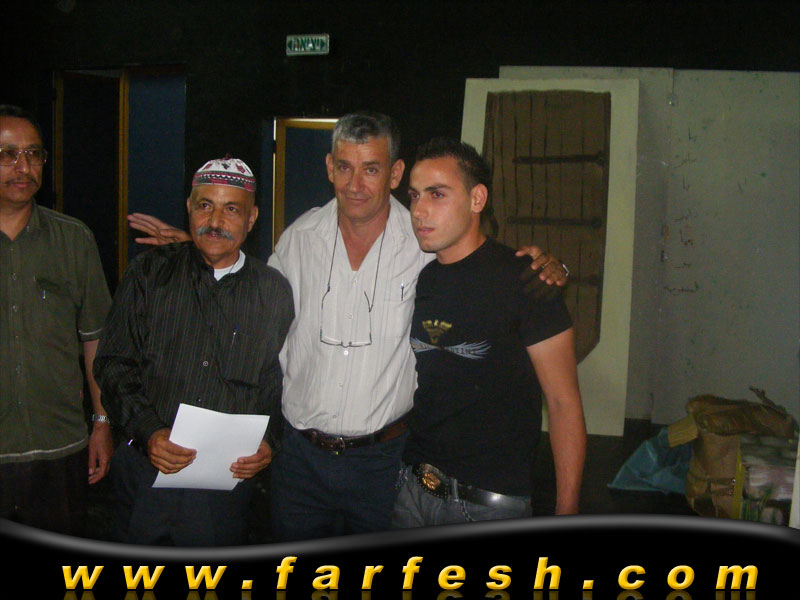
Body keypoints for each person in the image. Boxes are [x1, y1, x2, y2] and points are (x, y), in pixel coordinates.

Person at [126, 111, 569, 541]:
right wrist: (207, 249)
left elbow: (477, 259)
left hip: (385, 461)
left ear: (395, 174)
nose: (355, 185)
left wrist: (547, 267)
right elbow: (253, 295)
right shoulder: (299, 239)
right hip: (300, 461)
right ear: (328, 168)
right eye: (344, 167)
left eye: (370, 169)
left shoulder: (424, 242)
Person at [93, 157, 294, 546]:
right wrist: (149, 431)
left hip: (224, 488)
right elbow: (113, 364)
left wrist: (270, 441)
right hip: (144, 475)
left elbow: (278, 381)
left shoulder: (273, 291)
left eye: (231, 209)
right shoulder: (148, 274)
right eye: (205, 205)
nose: (215, 220)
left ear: (252, 218)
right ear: (188, 207)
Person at [391, 138, 586, 528]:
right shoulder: (425, 278)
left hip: (484, 507)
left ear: (477, 199)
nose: (419, 210)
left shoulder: (527, 281)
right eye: (414, 195)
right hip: (412, 490)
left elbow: (563, 403)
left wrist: (567, 510)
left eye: (437, 194)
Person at [0, 104, 113, 536]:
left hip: (59, 449)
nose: (23, 167)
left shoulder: (73, 239)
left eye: (33, 154)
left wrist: (101, 422)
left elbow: (95, 339)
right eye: (8, 154)